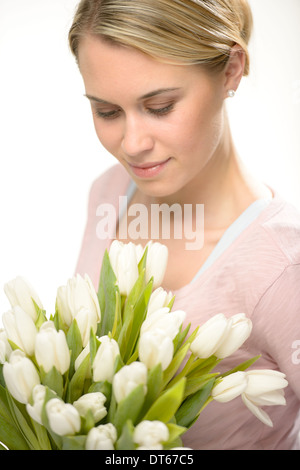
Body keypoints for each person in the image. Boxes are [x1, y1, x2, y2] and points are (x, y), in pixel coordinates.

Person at [68, 0, 300, 449]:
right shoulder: (110, 194)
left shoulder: (281, 267)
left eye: (159, 106)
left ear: (231, 69)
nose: (132, 144)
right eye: (108, 112)